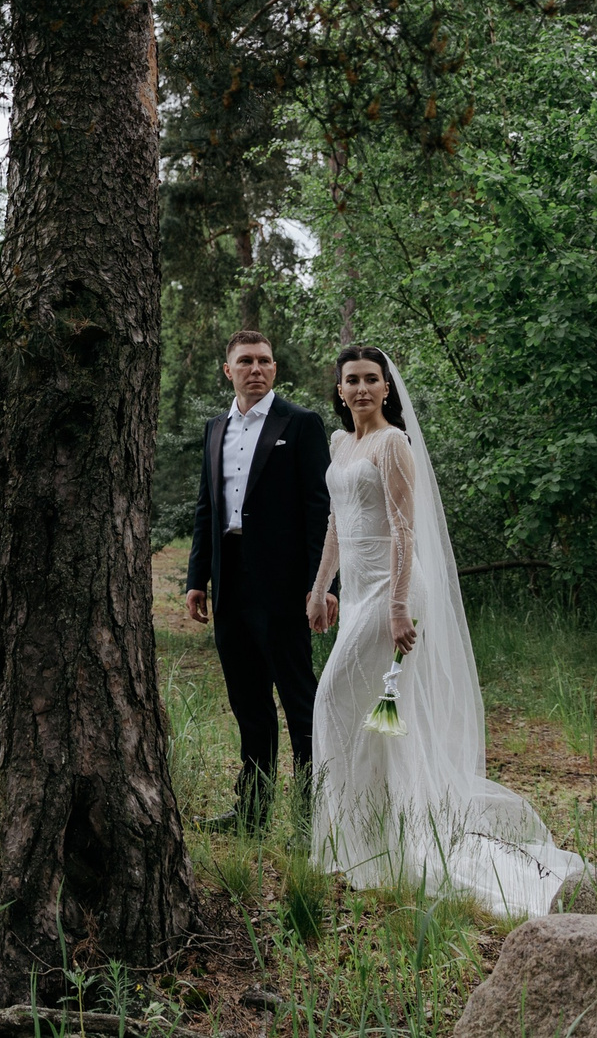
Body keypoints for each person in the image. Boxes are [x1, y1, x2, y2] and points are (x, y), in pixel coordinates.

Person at [305, 345, 583, 915]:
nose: (361, 389)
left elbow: (405, 531)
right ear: (338, 390)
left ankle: (384, 844)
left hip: (393, 592)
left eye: (371, 380)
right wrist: (320, 587)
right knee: (369, 720)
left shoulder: (393, 445)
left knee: (333, 699)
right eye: (351, 380)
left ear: (387, 390)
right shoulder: (340, 444)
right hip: (356, 595)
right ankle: (365, 844)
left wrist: (401, 606)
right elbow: (337, 522)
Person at [184, 329, 333, 829]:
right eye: (245, 361)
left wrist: (323, 585)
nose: (256, 369)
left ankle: (312, 814)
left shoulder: (302, 423)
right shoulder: (214, 428)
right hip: (230, 581)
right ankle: (252, 812)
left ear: (275, 369)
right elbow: (208, 505)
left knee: (299, 701)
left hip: (286, 586)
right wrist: (197, 577)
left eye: (265, 361)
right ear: (228, 370)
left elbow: (321, 511)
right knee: (248, 702)